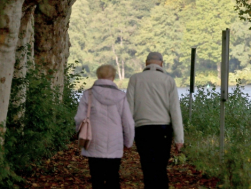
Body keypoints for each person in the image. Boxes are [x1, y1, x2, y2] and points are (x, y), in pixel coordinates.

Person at [126, 51, 184, 189]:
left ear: (146, 63)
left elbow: (128, 109)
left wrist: (126, 136)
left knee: (147, 166)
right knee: (161, 167)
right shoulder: (168, 80)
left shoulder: (135, 79)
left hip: (142, 129)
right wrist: (179, 139)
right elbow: (175, 110)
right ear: (162, 64)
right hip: (163, 130)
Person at [75, 64, 135, 189]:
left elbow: (80, 118)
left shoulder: (88, 94)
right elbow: (128, 122)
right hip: (115, 142)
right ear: (113, 78)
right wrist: (128, 142)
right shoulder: (121, 96)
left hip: (93, 141)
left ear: (98, 76)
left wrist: (80, 135)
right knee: (113, 177)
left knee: (96, 179)